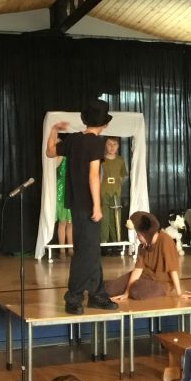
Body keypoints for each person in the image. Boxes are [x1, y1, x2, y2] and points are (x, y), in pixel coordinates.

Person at [46, 99, 118, 315]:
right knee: (85, 253)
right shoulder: (96, 143)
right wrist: (96, 206)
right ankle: (74, 296)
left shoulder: (74, 139)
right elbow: (93, 175)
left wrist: (53, 131)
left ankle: (96, 294)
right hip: (87, 205)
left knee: (91, 250)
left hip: (76, 204)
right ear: (104, 124)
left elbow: (50, 152)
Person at [104, 211, 191, 301]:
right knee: (109, 288)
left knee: (136, 291)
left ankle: (136, 287)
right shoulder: (144, 245)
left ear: (146, 234)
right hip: (145, 276)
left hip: (161, 283)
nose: (137, 237)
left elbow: (173, 269)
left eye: (139, 235)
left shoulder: (165, 241)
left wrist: (179, 293)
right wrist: (126, 292)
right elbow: (138, 270)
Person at [100, 137, 128, 251]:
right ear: (105, 145)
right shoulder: (101, 160)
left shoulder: (120, 160)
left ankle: (117, 243)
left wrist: (117, 184)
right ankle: (103, 243)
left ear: (118, 146)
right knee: (104, 218)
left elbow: (122, 176)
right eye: (109, 144)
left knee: (115, 217)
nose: (112, 147)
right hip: (103, 192)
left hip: (116, 192)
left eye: (114, 144)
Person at [56, 148, 73, 261]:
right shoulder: (59, 158)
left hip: (71, 192)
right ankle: (62, 249)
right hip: (61, 193)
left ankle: (71, 248)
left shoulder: (73, 157)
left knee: (70, 222)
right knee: (62, 222)